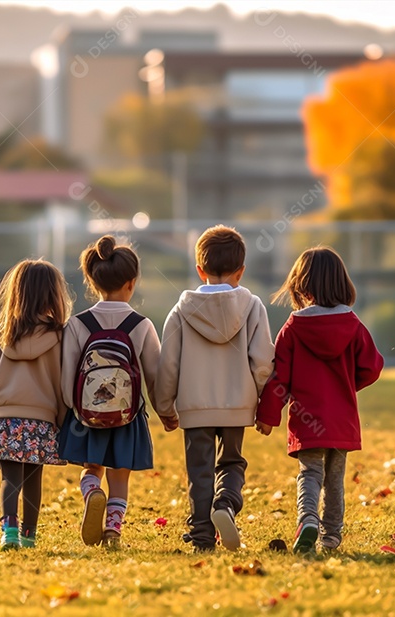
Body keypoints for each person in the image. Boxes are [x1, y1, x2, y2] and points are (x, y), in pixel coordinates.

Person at [255, 247, 384, 553]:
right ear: (342, 283)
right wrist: (346, 388)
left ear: (301, 285)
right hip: (342, 420)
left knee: (310, 474)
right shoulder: (353, 325)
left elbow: (279, 380)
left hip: (306, 421)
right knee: (335, 480)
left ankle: (308, 519)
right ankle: (331, 536)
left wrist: (268, 416)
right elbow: (372, 367)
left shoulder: (292, 329)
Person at [155, 225, 275, 552]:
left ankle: (202, 537)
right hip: (238, 403)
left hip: (194, 407)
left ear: (199, 269)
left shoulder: (180, 312)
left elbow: (169, 365)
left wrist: (165, 407)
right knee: (232, 463)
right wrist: (262, 396)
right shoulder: (253, 307)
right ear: (241, 272)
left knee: (199, 471)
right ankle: (226, 504)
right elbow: (263, 360)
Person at [59, 235, 177, 547]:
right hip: (128, 416)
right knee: (120, 476)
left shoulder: (77, 324)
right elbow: (155, 376)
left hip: (86, 416)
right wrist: (166, 411)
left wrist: (70, 408)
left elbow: (67, 375)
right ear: (131, 282)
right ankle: (113, 529)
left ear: (93, 281)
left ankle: (91, 492)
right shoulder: (141, 325)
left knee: (91, 468)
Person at [0, 259, 72, 550]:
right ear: (53, 295)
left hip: (3, 421)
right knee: (34, 481)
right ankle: (30, 535)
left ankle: (8, 530)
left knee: (9, 479)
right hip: (41, 422)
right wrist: (63, 424)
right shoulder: (61, 338)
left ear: (16, 293)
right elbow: (65, 387)